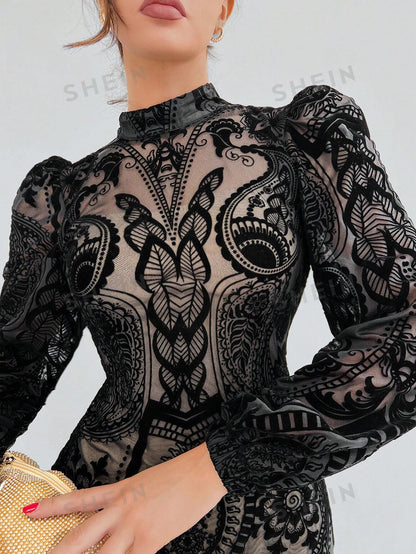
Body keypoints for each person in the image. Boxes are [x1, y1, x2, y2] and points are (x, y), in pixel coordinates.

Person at [1, 0, 416, 552]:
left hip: (268, 529)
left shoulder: (301, 136)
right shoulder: (59, 194)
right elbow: (10, 376)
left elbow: (406, 332)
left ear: (223, 10)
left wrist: (211, 469)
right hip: (93, 526)